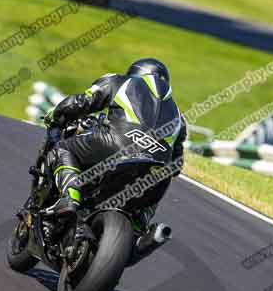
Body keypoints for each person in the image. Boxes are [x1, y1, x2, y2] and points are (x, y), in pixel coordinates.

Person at [43, 58, 186, 236]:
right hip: (156, 169)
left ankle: (70, 197)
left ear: (134, 72)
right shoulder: (179, 115)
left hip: (115, 143)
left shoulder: (121, 81)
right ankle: (140, 227)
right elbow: (177, 164)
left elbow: (82, 102)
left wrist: (56, 114)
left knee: (62, 149)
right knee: (160, 174)